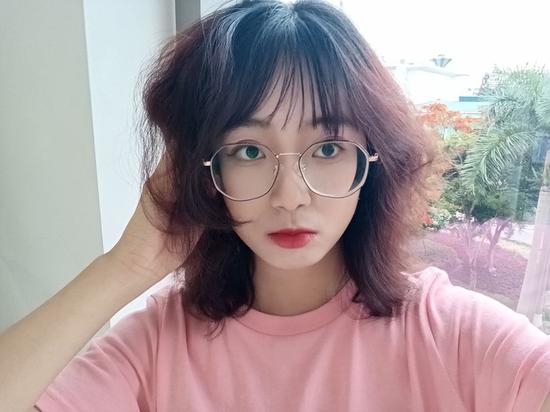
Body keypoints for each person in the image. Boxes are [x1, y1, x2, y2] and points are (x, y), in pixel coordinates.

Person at [1, 0, 549, 411]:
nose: (289, 196)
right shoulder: (156, 346)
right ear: (205, 170)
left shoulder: (452, 335)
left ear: (373, 159)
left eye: (328, 148)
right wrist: (124, 268)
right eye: (249, 150)